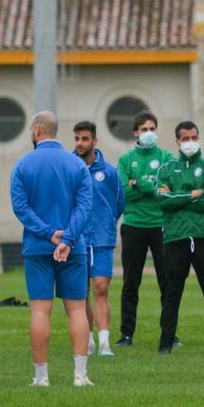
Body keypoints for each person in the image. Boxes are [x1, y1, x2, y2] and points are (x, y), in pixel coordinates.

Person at [10, 111, 94, 387]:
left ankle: (41, 377)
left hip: (37, 247)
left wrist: (49, 234)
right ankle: (80, 376)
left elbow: (21, 208)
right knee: (78, 310)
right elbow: (84, 207)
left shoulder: (23, 164)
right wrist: (68, 239)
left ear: (36, 130)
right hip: (74, 248)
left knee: (39, 311)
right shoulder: (77, 165)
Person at [156, 121, 204, 355]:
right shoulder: (166, 169)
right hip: (175, 237)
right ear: (177, 141)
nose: (190, 142)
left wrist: (178, 197)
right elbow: (162, 201)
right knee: (171, 294)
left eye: (193, 137)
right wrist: (192, 194)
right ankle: (165, 344)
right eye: (185, 138)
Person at [115, 111, 174, 347]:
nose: (148, 133)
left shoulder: (167, 157)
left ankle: (169, 333)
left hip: (162, 226)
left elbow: (166, 190)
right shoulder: (126, 160)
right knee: (131, 283)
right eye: (143, 129)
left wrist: (139, 183)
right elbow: (122, 192)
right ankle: (126, 334)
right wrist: (148, 188)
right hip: (133, 226)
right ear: (135, 133)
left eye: (152, 129)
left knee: (167, 282)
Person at [73, 121, 124, 357]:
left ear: (94, 141)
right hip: (76, 238)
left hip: (102, 238)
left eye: (84, 139)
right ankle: (89, 339)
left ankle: (105, 342)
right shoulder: (69, 168)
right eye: (77, 139)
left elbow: (119, 202)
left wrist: (106, 223)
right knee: (80, 291)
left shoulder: (110, 171)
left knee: (101, 288)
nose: (80, 143)